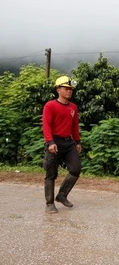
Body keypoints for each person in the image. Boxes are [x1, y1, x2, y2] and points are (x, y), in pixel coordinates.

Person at [42, 75, 82, 214]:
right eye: (66, 88)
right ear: (58, 90)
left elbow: (75, 126)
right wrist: (50, 142)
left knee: (76, 169)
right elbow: (46, 125)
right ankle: (49, 203)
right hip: (54, 142)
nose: (69, 91)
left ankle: (62, 195)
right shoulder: (50, 105)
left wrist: (77, 141)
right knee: (51, 173)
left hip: (68, 142)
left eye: (70, 89)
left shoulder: (73, 107)